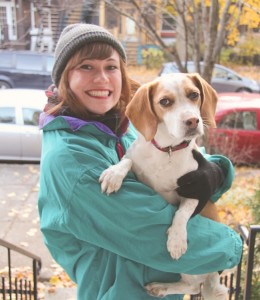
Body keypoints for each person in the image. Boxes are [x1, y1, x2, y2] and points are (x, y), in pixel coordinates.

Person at [38, 23, 242, 300]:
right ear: (64, 77)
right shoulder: (71, 160)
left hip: (156, 287)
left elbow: (184, 161)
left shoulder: (125, 124)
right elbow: (152, 232)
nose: (102, 78)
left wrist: (216, 171)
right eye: (86, 67)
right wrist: (233, 247)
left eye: (110, 67)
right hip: (121, 292)